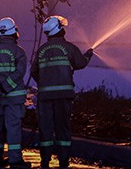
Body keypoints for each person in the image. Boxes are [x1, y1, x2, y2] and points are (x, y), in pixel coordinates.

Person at [30, 15, 93, 169]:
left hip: (45, 97)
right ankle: (63, 162)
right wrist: (88, 55)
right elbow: (80, 63)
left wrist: (44, 83)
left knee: (45, 129)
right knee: (62, 129)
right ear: (59, 29)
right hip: (64, 96)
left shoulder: (41, 50)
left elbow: (34, 71)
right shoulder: (69, 47)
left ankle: (45, 162)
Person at [0, 17, 31, 168]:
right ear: (14, 32)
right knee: (13, 128)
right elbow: (19, 72)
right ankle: (15, 160)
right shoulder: (19, 52)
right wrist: (6, 87)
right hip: (13, 99)